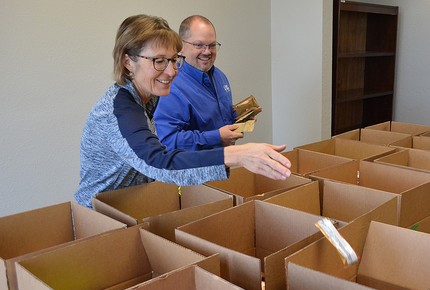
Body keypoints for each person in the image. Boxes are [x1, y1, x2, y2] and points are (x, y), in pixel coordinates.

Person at [74, 14, 290, 208]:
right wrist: (238, 155)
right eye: (159, 61)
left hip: (133, 204)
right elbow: (158, 161)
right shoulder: (119, 109)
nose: (171, 71)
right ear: (128, 62)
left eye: (174, 60)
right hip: (99, 213)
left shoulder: (150, 97)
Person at [154, 15, 243, 151]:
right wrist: (217, 137)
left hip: (223, 166)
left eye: (212, 45)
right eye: (199, 45)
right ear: (181, 46)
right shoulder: (172, 85)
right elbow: (169, 140)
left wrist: (241, 118)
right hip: (193, 170)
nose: (207, 51)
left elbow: (219, 120)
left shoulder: (220, 77)